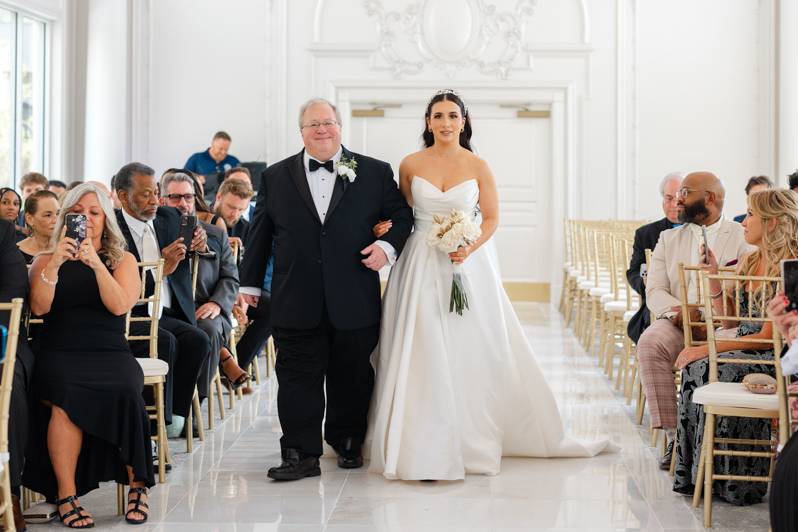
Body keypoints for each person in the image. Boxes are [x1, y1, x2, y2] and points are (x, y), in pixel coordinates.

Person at [365, 90, 617, 481]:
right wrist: (388, 226)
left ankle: (470, 438)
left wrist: (468, 246)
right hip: (418, 263)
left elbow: (492, 218)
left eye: (452, 115)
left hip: (466, 263)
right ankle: (419, 440)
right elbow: (403, 213)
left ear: (463, 121)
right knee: (421, 342)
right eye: (438, 116)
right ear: (428, 122)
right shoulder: (410, 164)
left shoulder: (478, 165)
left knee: (469, 344)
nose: (446, 122)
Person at [238, 97, 414, 480]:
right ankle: (299, 454)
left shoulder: (373, 171)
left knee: (351, 375)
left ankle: (347, 441)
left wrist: (386, 248)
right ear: (301, 131)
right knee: (296, 376)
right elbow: (259, 235)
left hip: (353, 295)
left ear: (340, 126)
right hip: (294, 296)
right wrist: (249, 283)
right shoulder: (275, 176)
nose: (321, 129)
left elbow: (403, 217)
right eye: (312, 124)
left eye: (328, 122)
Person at [23, 183, 154, 527]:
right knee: (66, 398)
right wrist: (56, 264)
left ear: (105, 219)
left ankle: (137, 487)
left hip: (109, 351)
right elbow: (39, 306)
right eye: (78, 213)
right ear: (67, 218)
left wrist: (96, 264)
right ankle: (67, 495)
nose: (87, 219)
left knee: (127, 391)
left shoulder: (122, 260)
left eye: (94, 213)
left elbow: (119, 305)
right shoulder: (43, 260)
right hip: (59, 350)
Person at [671, 188, 798, 504]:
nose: (744, 222)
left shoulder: (788, 266)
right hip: (745, 344)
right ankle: (697, 474)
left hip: (772, 356)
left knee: (708, 363)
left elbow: (769, 337)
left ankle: (738, 481)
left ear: (770, 222)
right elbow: (729, 323)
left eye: (751, 215)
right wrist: (713, 276)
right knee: (695, 366)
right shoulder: (750, 259)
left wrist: (706, 348)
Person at [638, 171, 754, 469]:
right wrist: (679, 312)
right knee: (650, 343)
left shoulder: (742, 236)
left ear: (710, 198)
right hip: (678, 319)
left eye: (686, 192)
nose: (679, 199)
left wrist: (714, 305)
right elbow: (655, 290)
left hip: (724, 322)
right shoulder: (668, 237)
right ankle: (675, 437)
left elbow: (747, 290)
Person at [113, 163, 211, 432]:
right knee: (165, 342)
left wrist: (198, 245)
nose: (155, 200)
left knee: (198, 339)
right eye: (146, 194)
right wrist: (162, 269)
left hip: (167, 310)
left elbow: (192, 249)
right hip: (132, 313)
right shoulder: (112, 229)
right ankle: (155, 429)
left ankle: (176, 419)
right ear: (123, 196)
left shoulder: (169, 217)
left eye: (156, 192)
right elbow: (125, 291)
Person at [160, 171, 247, 396]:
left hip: (205, 305)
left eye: (188, 197)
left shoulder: (215, 234)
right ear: (162, 200)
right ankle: (169, 399)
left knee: (208, 328)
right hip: (169, 309)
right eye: (175, 197)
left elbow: (231, 277)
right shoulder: (156, 233)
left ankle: (194, 400)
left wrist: (217, 304)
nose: (183, 203)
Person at [0, 219, 35, 530]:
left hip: (3, 339)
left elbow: (14, 293)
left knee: (8, 381)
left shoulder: (2, 232)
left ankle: (7, 491)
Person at [626, 172, 684, 343]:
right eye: (668, 198)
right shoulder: (646, 234)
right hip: (655, 306)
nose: (674, 204)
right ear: (662, 200)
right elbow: (633, 272)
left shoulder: (699, 231)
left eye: (678, 199)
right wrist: (644, 283)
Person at [184, 131, 241, 200]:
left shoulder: (234, 161)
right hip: (202, 199)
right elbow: (183, 178)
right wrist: (196, 179)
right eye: (220, 149)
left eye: (226, 149)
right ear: (212, 144)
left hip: (228, 200)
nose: (223, 152)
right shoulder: (196, 159)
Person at [17, 190, 60, 264]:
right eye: (48, 215)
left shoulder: (68, 249)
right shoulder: (16, 252)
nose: (56, 220)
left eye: (58, 213)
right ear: (30, 219)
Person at [213, 177, 254, 247]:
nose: (235, 215)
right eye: (231, 207)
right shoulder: (200, 219)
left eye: (240, 209)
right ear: (218, 197)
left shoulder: (247, 230)